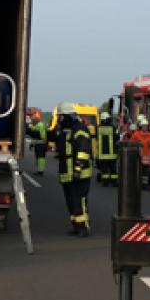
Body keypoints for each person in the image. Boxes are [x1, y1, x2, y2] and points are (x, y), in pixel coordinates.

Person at [47, 102, 93, 237]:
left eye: (61, 116)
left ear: (67, 116)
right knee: (71, 201)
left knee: (79, 201)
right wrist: (55, 126)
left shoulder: (80, 129)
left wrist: (78, 169)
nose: (60, 119)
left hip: (79, 173)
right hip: (67, 172)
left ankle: (83, 228)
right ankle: (76, 226)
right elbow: (50, 137)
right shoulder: (63, 128)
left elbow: (83, 150)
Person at [129, 115, 150, 187]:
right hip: (138, 157)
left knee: (146, 173)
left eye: (146, 126)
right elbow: (130, 144)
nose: (145, 127)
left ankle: (145, 184)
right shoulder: (136, 134)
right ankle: (138, 184)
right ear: (141, 126)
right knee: (139, 172)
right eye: (143, 126)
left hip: (147, 158)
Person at [96, 111, 118, 187]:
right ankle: (114, 183)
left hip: (102, 154)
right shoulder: (113, 128)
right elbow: (117, 138)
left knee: (104, 170)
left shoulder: (98, 128)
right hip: (111, 154)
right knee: (113, 170)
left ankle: (105, 183)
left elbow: (97, 138)